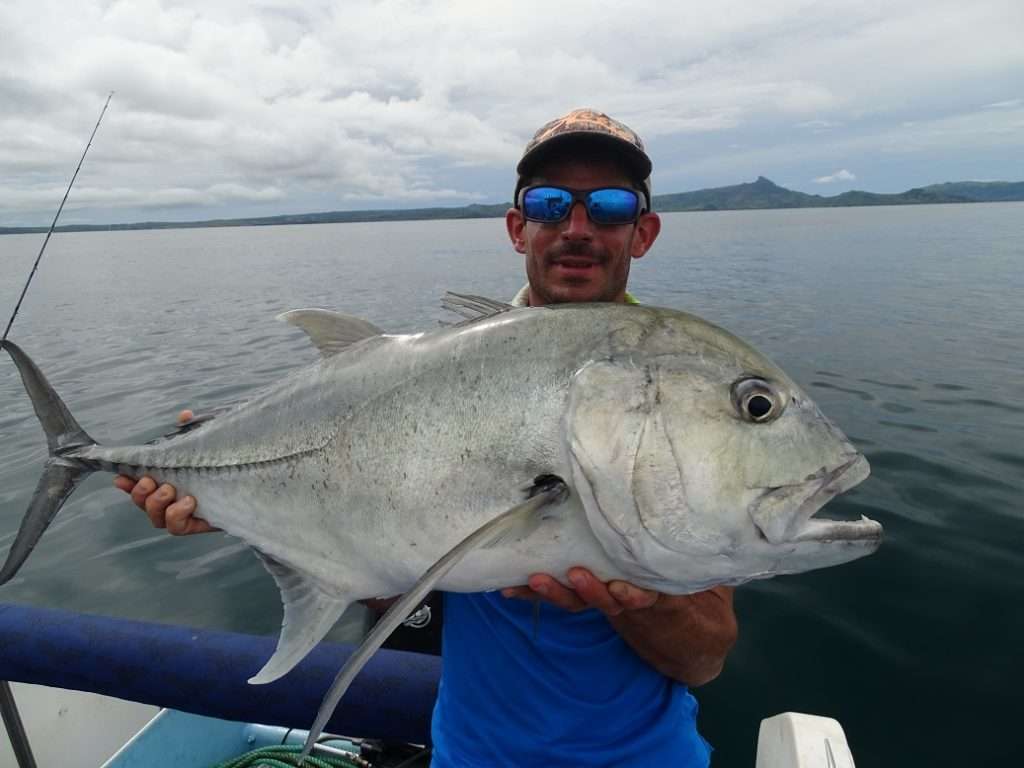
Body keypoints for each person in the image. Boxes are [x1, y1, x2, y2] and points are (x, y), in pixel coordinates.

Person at [115, 108, 737, 767]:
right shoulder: (437, 379)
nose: (577, 228)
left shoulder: (679, 387)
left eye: (608, 206)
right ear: (517, 226)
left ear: (643, 232)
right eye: (551, 204)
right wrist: (237, 504)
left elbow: (704, 657)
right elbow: (393, 581)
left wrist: (638, 603)